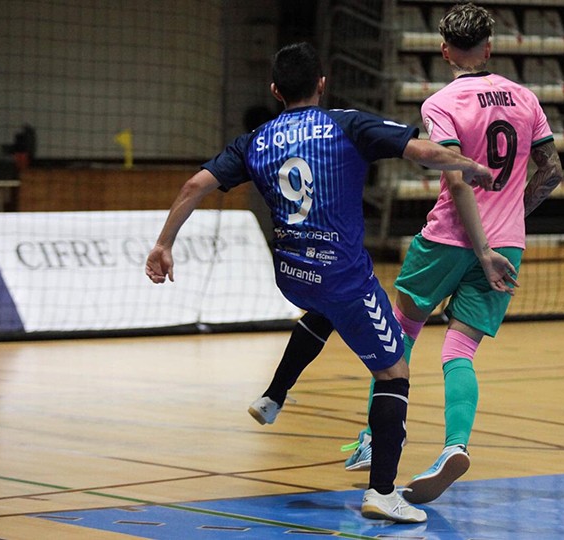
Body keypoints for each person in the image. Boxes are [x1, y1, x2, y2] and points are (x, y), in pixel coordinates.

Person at [145, 42, 502, 524]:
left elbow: (193, 187)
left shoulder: (254, 140)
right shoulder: (346, 124)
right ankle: (381, 492)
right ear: (322, 83)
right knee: (394, 372)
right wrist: (470, 166)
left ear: (275, 90)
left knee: (324, 310)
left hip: (293, 276)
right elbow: (421, 152)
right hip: (343, 278)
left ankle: (274, 395)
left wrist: (164, 243)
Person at [250, 1, 564, 506]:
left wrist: (479, 243)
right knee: (460, 350)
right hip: (507, 242)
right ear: (489, 47)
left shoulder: (441, 102)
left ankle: (374, 441)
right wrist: (511, 220)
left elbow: (457, 177)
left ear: (444, 51)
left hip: (449, 239)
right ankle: (454, 446)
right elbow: (551, 171)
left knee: (397, 338)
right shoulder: (526, 98)